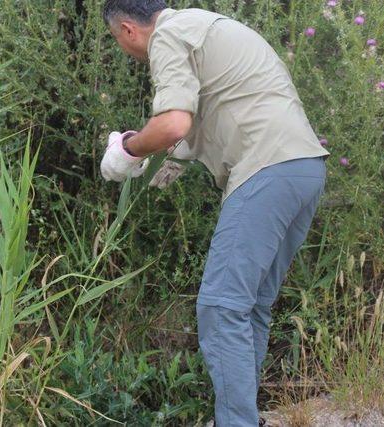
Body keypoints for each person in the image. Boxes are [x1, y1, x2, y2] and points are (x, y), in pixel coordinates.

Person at [99, 1, 331, 426]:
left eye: (118, 41)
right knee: (251, 306)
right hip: (304, 168)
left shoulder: (167, 35)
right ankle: (243, 418)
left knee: (221, 307)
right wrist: (156, 155)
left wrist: (125, 152)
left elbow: (172, 124)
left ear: (128, 30)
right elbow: (194, 127)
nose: (124, 49)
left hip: (266, 169)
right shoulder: (204, 25)